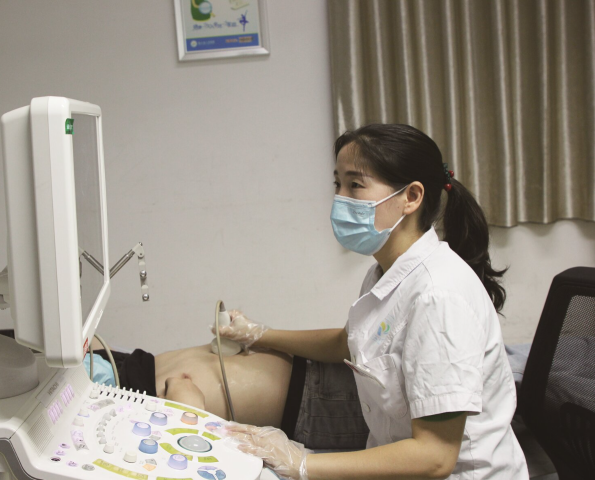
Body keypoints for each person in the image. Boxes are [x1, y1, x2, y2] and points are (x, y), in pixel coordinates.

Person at [215, 124, 528, 479]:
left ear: (411, 197)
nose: (340, 199)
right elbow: (347, 341)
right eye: (338, 184)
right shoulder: (385, 273)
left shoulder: (438, 296)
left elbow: (436, 457)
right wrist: (260, 334)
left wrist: (302, 464)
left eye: (355, 185)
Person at [88, 339, 369, 450]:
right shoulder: (128, 394)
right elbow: (188, 431)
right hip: (314, 399)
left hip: (311, 382)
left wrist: (187, 411)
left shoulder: (119, 368)